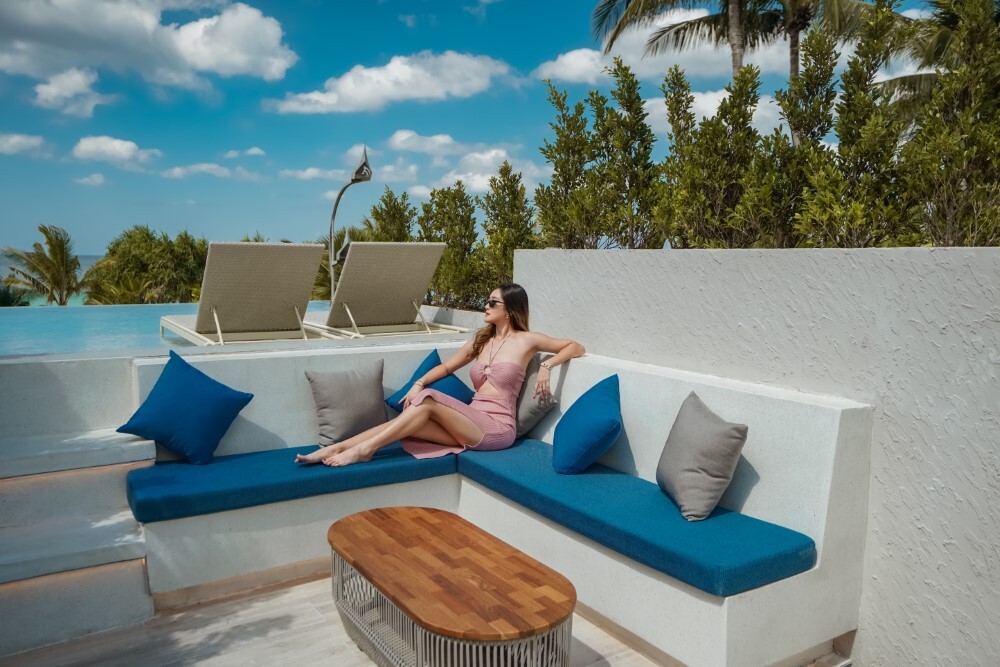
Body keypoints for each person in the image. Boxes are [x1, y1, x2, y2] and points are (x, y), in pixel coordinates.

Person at [295, 283, 585, 467]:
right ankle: (336, 447)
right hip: (470, 420)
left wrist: (547, 365)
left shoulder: (528, 340)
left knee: (428, 401)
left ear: (510, 309)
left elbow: (575, 346)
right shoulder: (481, 341)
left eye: (492, 303)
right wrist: (419, 382)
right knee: (407, 421)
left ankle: (365, 450)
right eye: (487, 300)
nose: (485, 306)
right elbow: (447, 368)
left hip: (497, 429)